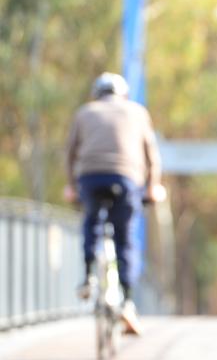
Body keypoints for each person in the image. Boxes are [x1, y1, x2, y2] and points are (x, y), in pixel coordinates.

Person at [64, 72, 166, 335]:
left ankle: (87, 275)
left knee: (91, 223)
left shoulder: (84, 112)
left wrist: (72, 187)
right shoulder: (137, 112)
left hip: (90, 177)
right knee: (125, 239)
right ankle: (128, 303)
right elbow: (152, 156)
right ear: (122, 94)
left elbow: (70, 153)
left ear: (97, 93)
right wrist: (152, 186)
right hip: (126, 178)